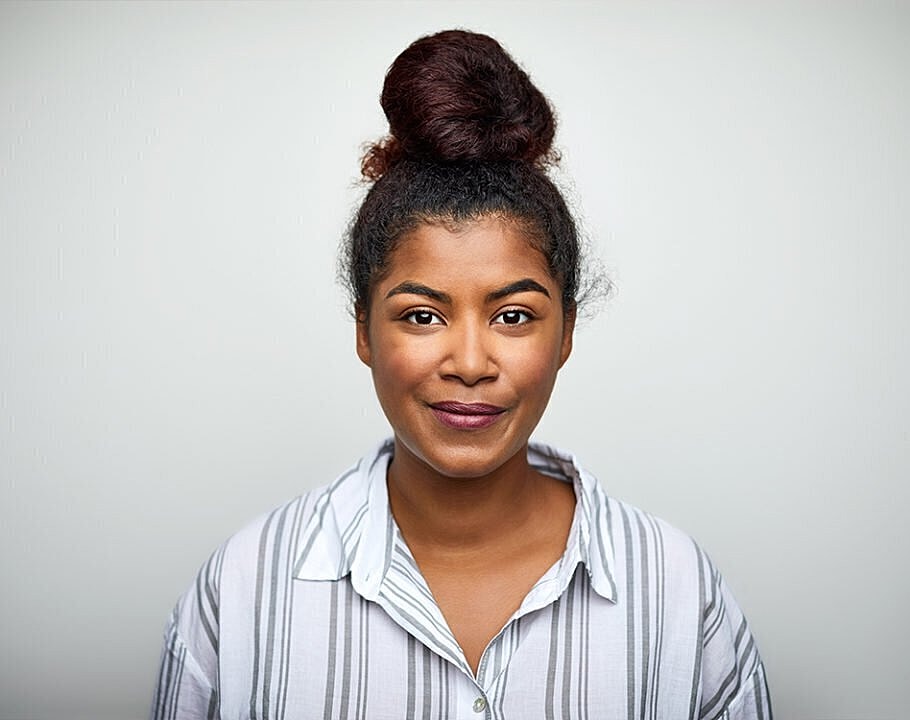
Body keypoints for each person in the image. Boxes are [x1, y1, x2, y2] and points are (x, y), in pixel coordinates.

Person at [151, 29, 772, 720]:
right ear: (364, 330)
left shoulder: (679, 591)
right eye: (421, 316)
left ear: (565, 332)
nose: (471, 364)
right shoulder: (242, 590)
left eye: (513, 316)